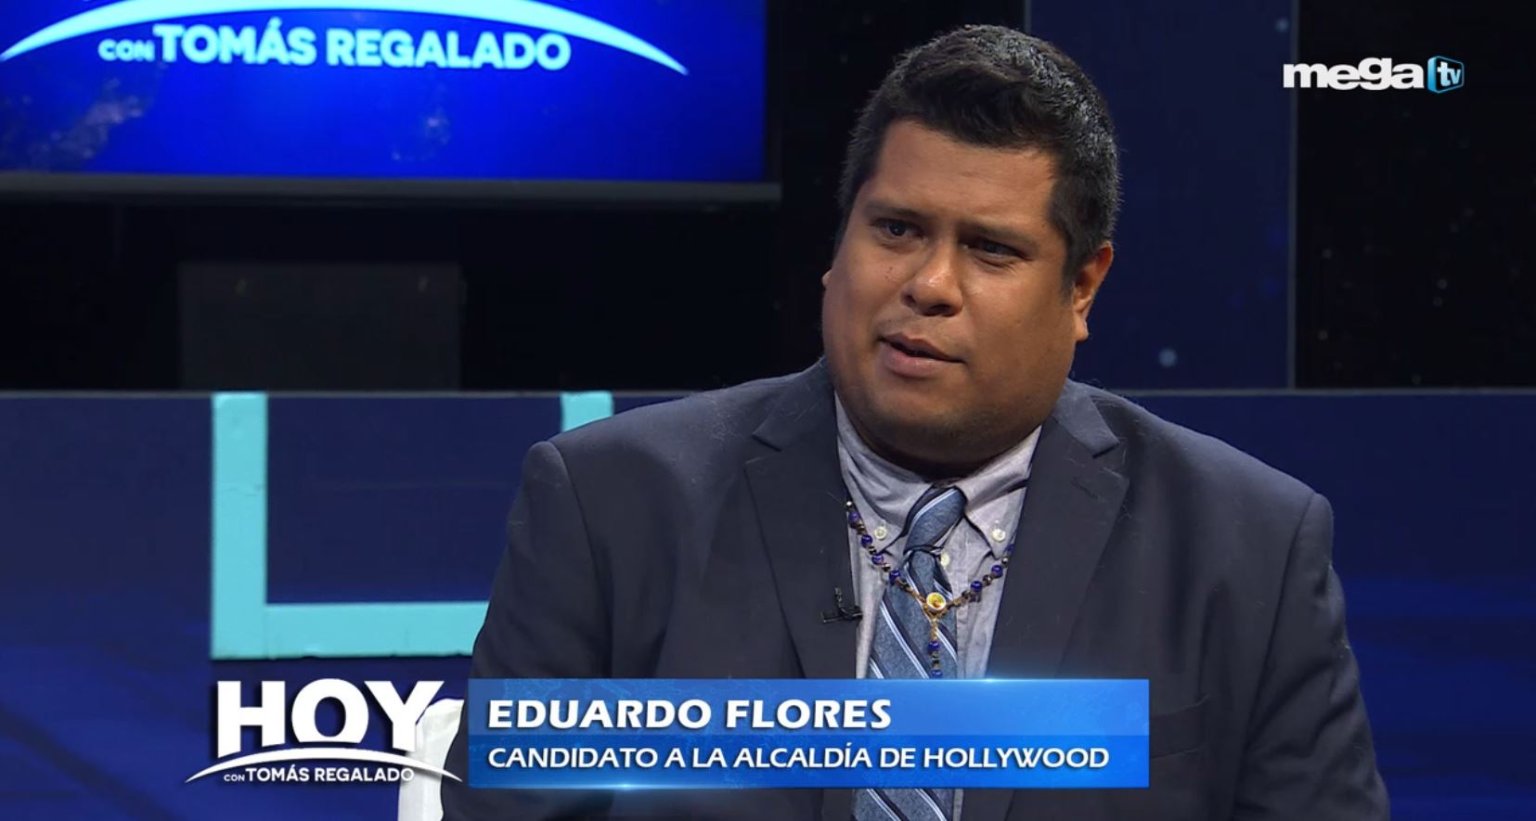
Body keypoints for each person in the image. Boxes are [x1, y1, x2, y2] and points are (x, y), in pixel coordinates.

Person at [443, 24, 1388, 820]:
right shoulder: (611, 506)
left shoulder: (1246, 547)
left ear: (1082, 286)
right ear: (838, 242)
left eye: (990, 249)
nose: (929, 284)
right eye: (896, 229)